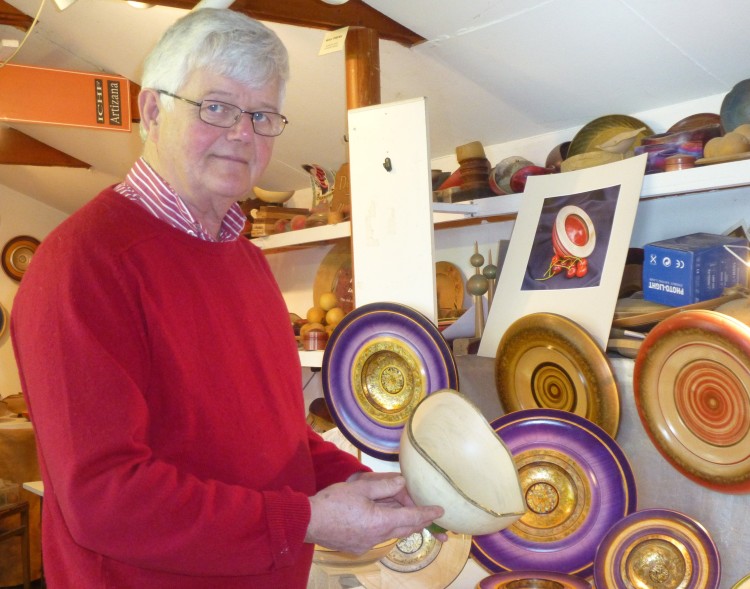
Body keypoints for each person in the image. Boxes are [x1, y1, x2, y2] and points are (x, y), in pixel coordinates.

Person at [10, 8, 443, 588]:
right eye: (216, 106)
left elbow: (276, 441)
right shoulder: (82, 265)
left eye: (263, 115)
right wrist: (308, 520)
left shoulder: (246, 260)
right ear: (152, 110)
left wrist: (370, 484)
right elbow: (105, 499)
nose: (243, 132)